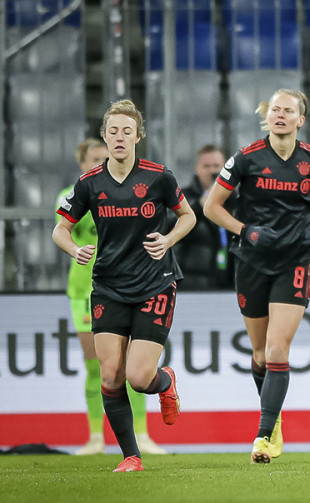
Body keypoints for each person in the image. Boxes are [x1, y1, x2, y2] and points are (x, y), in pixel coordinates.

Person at [52, 100, 193, 472]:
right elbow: (60, 229)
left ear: (138, 137)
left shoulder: (159, 176)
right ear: (104, 135)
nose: (119, 137)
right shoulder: (89, 183)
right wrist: (74, 249)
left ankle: (164, 382)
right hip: (108, 286)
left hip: (154, 283)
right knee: (111, 375)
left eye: (127, 131)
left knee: (138, 377)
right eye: (113, 131)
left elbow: (188, 217)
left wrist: (168, 240)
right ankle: (131, 456)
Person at [204, 88, 310, 464]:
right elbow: (211, 207)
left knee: (279, 348)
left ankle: (263, 435)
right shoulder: (246, 158)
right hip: (251, 260)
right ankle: (273, 414)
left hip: (295, 259)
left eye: (288, 111)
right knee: (261, 355)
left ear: (301, 119)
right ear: (268, 116)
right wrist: (245, 230)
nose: (280, 115)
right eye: (275, 109)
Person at [58, 138, 167, 457]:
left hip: (131, 283)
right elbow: (67, 230)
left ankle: (141, 434)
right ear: (82, 163)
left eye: (103, 159)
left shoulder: (124, 189)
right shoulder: (72, 195)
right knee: (100, 368)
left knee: (131, 366)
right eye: (93, 160)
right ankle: (95, 436)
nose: (100, 164)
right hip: (87, 289)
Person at [173, 144, 234, 290]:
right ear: (197, 169)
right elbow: (170, 227)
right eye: (206, 166)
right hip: (193, 286)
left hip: (230, 286)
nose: (212, 171)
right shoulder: (182, 197)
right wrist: (200, 206)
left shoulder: (236, 200)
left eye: (217, 166)